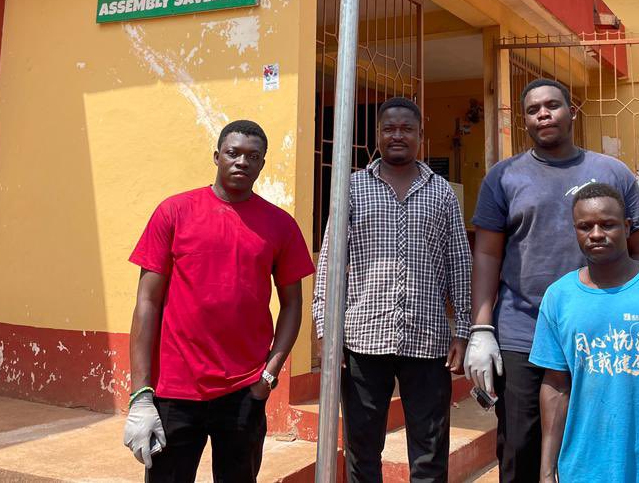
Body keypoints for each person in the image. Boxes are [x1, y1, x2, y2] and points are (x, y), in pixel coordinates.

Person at [466, 78, 639, 483]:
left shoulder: (611, 172)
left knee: (595, 438)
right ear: (525, 121)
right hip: (522, 332)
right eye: (533, 110)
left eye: (552, 105)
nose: (543, 114)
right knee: (520, 444)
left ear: (572, 112)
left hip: (600, 332)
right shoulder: (503, 177)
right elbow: (486, 254)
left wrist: (637, 314)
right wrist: (481, 328)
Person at [123, 120, 315, 482]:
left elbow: (292, 305)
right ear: (216, 156)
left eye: (253, 156)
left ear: (262, 164)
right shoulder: (174, 212)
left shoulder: (280, 225)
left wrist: (270, 374)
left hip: (244, 390)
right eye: (233, 152)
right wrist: (141, 395)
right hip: (174, 389)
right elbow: (146, 302)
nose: (242, 161)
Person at [313, 97, 472, 483]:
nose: (397, 135)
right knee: (362, 450)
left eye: (406, 129)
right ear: (378, 135)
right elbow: (332, 262)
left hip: (428, 339)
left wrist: (463, 330)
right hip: (363, 338)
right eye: (389, 129)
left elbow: (460, 264)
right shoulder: (350, 188)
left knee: (430, 452)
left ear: (420, 136)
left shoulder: (442, 193)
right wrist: (325, 328)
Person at [532, 183, 639, 483]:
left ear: (627, 227)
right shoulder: (558, 297)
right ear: (575, 231)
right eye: (585, 226)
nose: (597, 234)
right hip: (583, 469)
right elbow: (555, 387)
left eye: (608, 224)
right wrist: (547, 471)